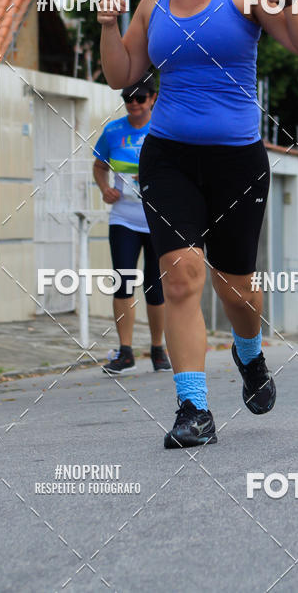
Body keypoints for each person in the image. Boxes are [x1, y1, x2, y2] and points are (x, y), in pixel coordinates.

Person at [98, 0, 298, 447]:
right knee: (181, 278)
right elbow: (122, 73)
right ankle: (193, 409)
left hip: (237, 161)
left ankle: (249, 355)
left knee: (237, 289)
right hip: (169, 157)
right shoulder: (153, 3)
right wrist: (109, 25)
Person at [92, 75, 171, 375]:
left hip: (157, 221)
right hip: (123, 218)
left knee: (156, 287)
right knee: (123, 282)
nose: (134, 104)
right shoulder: (113, 131)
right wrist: (104, 189)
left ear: (153, 98)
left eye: (140, 98)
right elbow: (99, 166)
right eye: (128, 99)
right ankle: (125, 351)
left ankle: (157, 349)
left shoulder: (164, 130)